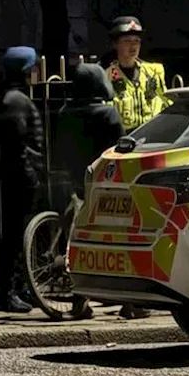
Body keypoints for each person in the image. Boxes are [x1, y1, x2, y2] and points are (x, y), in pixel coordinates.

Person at [53, 62, 125, 320]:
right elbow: (120, 150)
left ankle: (79, 301)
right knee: (118, 242)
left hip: (75, 182)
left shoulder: (65, 112)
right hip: (103, 185)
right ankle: (130, 303)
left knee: (79, 242)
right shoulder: (108, 115)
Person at [0, 46, 46, 313]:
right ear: (25, 70)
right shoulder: (15, 100)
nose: (37, 72)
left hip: (22, 175)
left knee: (22, 233)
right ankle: (8, 291)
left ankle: (22, 286)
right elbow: (17, 144)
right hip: (20, 177)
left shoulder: (16, 97)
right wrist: (30, 174)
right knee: (15, 234)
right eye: (34, 67)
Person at [105, 16, 169, 131]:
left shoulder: (154, 72)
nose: (133, 46)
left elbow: (166, 102)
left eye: (136, 41)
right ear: (115, 44)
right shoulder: (107, 77)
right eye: (127, 41)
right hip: (123, 138)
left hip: (153, 134)